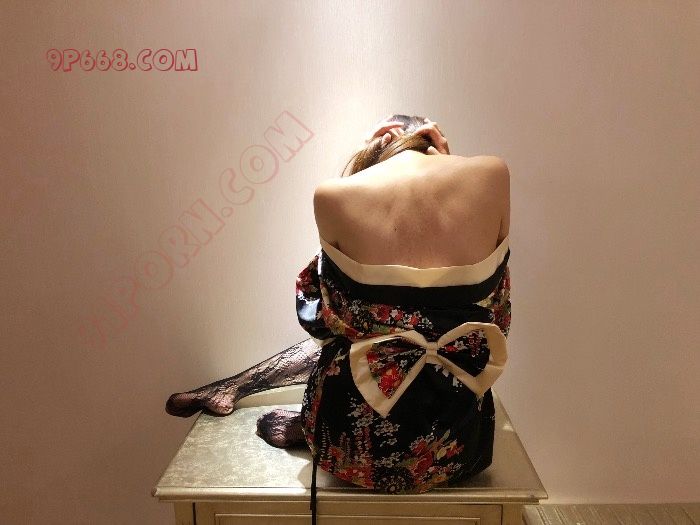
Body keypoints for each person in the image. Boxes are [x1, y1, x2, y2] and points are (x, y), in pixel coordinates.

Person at [165, 115, 511, 516]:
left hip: (354, 452)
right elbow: (498, 317)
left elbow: (319, 321)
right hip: (461, 444)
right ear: (433, 141)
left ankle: (275, 409)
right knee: (399, 335)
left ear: (380, 143)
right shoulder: (493, 175)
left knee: (361, 340)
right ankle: (247, 396)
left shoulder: (333, 196)